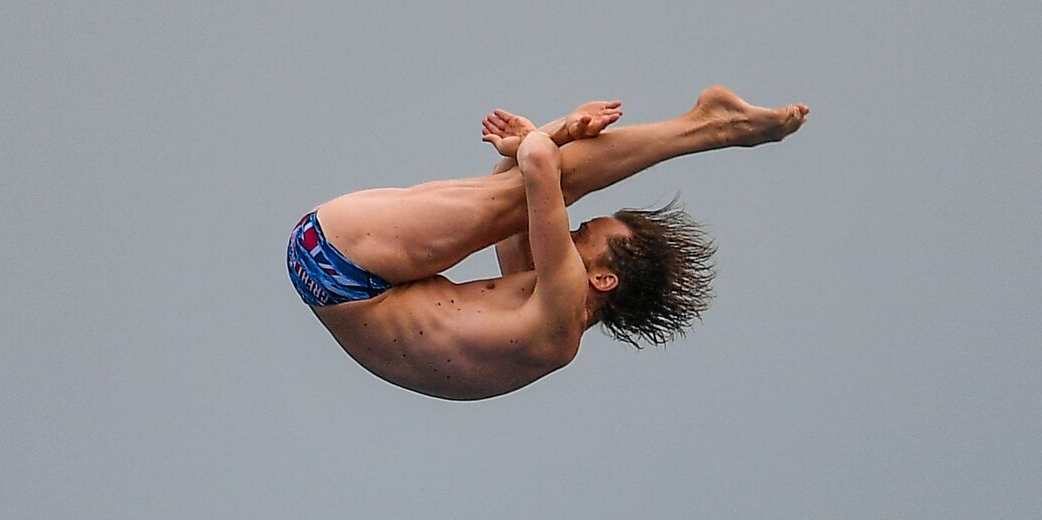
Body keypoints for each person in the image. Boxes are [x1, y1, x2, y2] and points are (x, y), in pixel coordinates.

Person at [286, 85, 809, 400]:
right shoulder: (546, 319)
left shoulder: (560, 310)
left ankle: (711, 127)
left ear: (603, 278)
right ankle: (707, 125)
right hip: (332, 269)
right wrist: (540, 141)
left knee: (542, 185)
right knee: (514, 195)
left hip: (345, 263)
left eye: (582, 235)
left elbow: (538, 169)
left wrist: (550, 134)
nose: (570, 230)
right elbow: (515, 190)